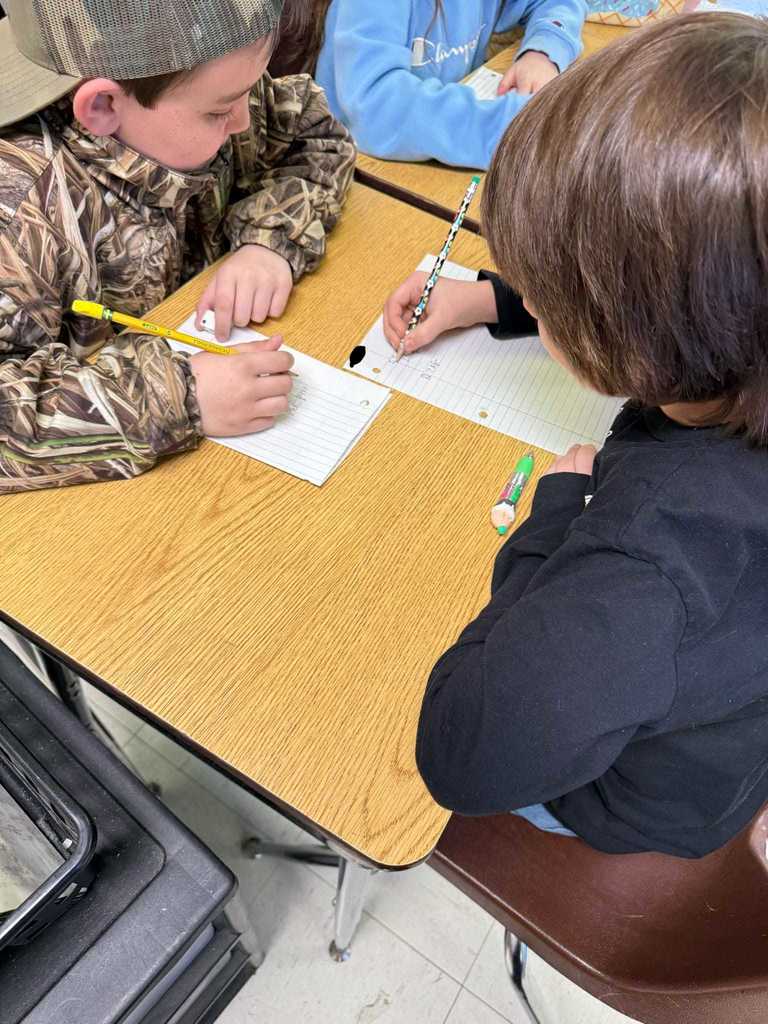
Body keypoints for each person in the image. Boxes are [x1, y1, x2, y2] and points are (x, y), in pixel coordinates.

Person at [387, 12, 768, 857]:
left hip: (649, 800)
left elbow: (458, 751)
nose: (532, 295)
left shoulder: (645, 566)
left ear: (635, 334)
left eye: (543, 291)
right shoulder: (739, 330)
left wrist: (556, 519)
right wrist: (487, 300)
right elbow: (688, 278)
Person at [0, 0, 355, 492]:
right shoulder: (19, 206)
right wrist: (181, 396)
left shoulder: (206, 81)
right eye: (218, 111)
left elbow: (314, 138)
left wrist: (268, 242)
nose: (242, 123)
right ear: (102, 106)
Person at [315, 0, 587, 169]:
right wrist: (503, 127)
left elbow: (559, 3)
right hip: (352, 169)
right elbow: (375, 108)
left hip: (432, 155)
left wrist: (542, 52)